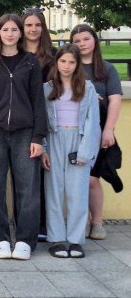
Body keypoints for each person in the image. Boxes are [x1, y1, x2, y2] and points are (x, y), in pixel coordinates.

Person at [0, 14, 47, 260]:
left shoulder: (30, 62)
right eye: (5, 29)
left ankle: (25, 240)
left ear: (20, 33)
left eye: (14, 29)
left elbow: (38, 102)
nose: (10, 34)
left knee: (28, 187)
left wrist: (38, 137)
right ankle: (1, 239)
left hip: (25, 132)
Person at [42, 44, 99, 258]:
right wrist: (44, 150)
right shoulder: (47, 88)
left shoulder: (87, 88)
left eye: (72, 62)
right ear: (57, 62)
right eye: (63, 61)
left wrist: (85, 151)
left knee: (77, 193)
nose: (67, 66)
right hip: (54, 139)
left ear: (77, 65)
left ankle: (76, 240)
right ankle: (56, 239)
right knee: (54, 192)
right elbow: (42, 121)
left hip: (78, 139)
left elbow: (93, 121)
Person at [70, 24, 122, 240]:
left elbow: (115, 100)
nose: (82, 44)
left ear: (94, 41)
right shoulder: (70, 66)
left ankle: (97, 222)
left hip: (98, 131)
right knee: (77, 179)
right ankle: (83, 220)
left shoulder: (107, 69)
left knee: (92, 179)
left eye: (86, 39)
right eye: (77, 41)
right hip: (73, 132)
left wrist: (109, 129)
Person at [20, 7, 56, 242]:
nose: (33, 29)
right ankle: (24, 223)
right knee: (25, 176)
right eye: (29, 25)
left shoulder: (53, 56)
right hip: (23, 120)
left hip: (50, 120)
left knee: (45, 174)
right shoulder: (14, 54)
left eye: (37, 25)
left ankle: (44, 224)